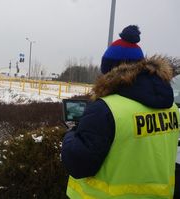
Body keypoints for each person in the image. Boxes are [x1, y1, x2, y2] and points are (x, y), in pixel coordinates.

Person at [61, 25, 180, 199]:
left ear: (110, 70)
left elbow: (79, 164)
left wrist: (70, 135)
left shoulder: (105, 109)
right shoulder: (172, 108)